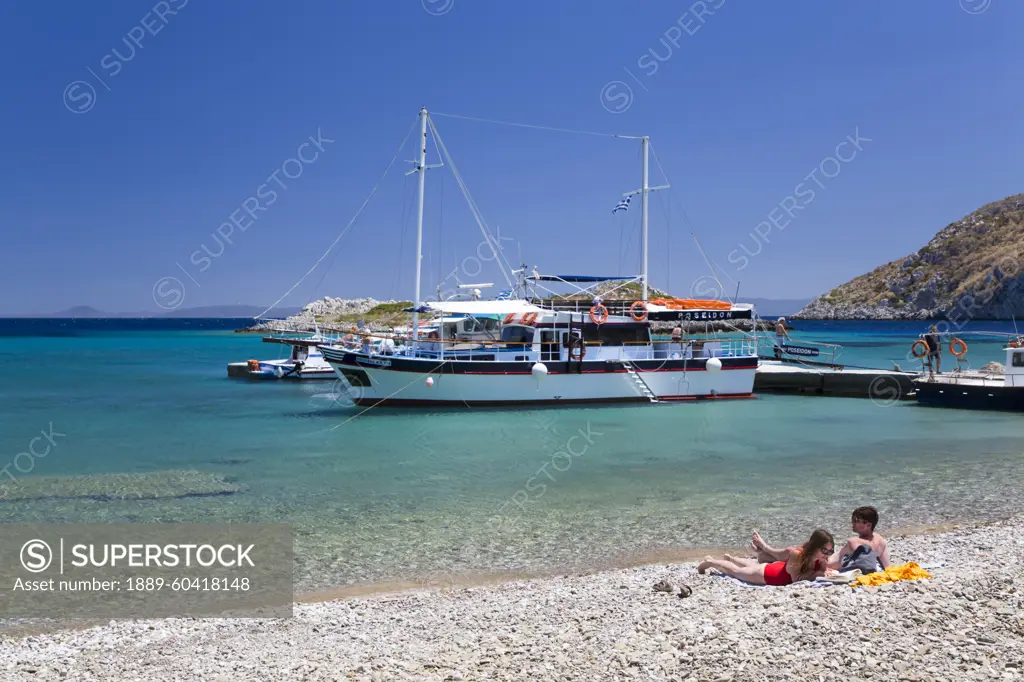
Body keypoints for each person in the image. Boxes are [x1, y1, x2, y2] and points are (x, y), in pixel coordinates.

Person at [697, 529, 835, 586]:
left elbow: (821, 571)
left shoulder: (822, 557)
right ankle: (711, 562)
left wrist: (823, 570)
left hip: (777, 568)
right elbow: (795, 579)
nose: (827, 554)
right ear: (814, 546)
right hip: (767, 575)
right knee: (735, 572)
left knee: (749, 566)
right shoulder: (798, 554)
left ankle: (731, 558)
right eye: (824, 550)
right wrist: (817, 573)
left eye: (830, 552)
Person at [829, 506, 890, 571]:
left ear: (868, 525)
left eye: (856, 521)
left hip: (827, 566)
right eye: (852, 520)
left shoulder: (853, 541)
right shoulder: (880, 540)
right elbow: (887, 567)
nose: (852, 523)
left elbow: (862, 564)